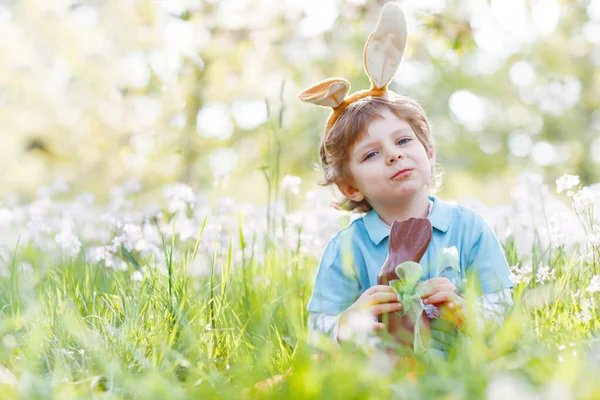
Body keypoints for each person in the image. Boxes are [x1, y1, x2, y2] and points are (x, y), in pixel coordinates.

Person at [298, 3, 513, 355]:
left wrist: (469, 313)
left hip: (459, 379)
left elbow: (502, 309)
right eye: (370, 154)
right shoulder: (347, 249)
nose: (394, 154)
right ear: (351, 187)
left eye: (402, 141)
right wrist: (348, 322)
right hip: (379, 379)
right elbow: (317, 331)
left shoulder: (468, 229)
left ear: (428, 152)